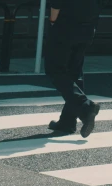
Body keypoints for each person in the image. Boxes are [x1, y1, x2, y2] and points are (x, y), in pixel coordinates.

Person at [44, 0, 102, 138]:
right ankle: (67, 121)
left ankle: (85, 106)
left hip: (64, 26)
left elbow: (56, 4)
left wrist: (52, 20)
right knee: (74, 72)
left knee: (55, 69)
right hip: (87, 27)